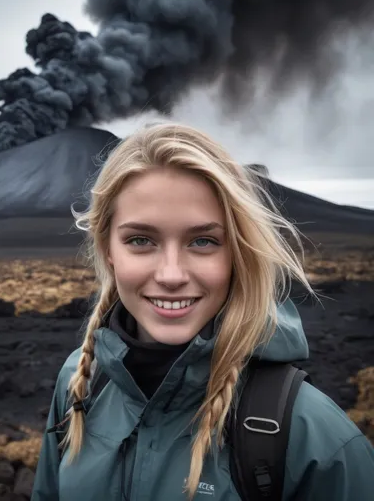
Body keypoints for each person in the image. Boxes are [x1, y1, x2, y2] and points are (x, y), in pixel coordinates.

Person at [31, 123, 374, 500]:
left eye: (203, 241)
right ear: (108, 250)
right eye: (140, 240)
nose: (172, 275)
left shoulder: (315, 439)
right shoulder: (78, 384)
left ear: (237, 253)